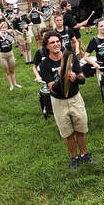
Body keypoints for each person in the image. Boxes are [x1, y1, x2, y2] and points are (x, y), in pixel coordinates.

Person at [38, 31, 93, 170]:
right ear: (47, 46)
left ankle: (84, 154)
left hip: (75, 99)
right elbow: (53, 89)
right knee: (67, 132)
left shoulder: (71, 57)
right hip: (59, 102)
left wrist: (75, 77)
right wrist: (63, 77)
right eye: (52, 42)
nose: (56, 44)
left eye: (58, 41)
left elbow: (83, 79)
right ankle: (74, 157)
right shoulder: (44, 65)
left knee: (80, 129)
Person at [0, 22, 21, 90]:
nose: (4, 29)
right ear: (0, 28)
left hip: (10, 54)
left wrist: (6, 34)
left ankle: (15, 83)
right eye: (3, 27)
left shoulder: (9, 35)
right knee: (7, 71)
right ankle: (10, 85)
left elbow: (10, 41)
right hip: (3, 55)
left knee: (12, 70)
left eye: (5, 27)